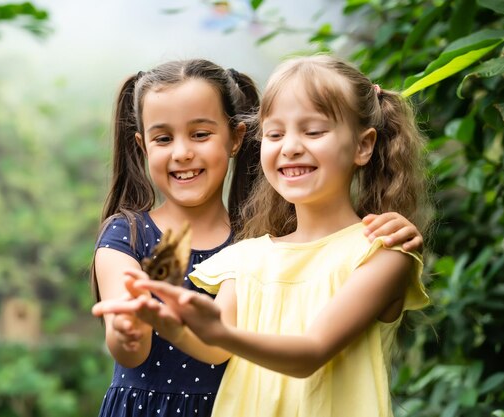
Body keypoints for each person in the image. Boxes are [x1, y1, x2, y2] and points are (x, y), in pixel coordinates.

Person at [93, 54, 432, 417]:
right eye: (275, 134)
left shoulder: (381, 252)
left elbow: (309, 353)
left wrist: (208, 330)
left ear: (363, 145)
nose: (290, 147)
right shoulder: (248, 254)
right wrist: (168, 324)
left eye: (313, 131)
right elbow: (214, 347)